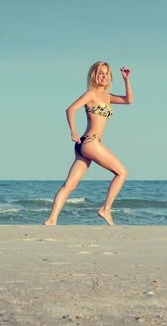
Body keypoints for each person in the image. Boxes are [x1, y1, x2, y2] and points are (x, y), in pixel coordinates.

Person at [44, 61, 133, 226]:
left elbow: (129, 100)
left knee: (70, 184)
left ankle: (52, 219)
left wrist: (126, 79)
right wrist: (73, 131)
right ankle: (106, 209)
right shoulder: (91, 94)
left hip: (84, 146)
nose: (104, 76)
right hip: (90, 142)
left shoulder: (107, 97)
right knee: (122, 173)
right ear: (94, 75)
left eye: (106, 74)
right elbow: (70, 109)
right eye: (100, 73)